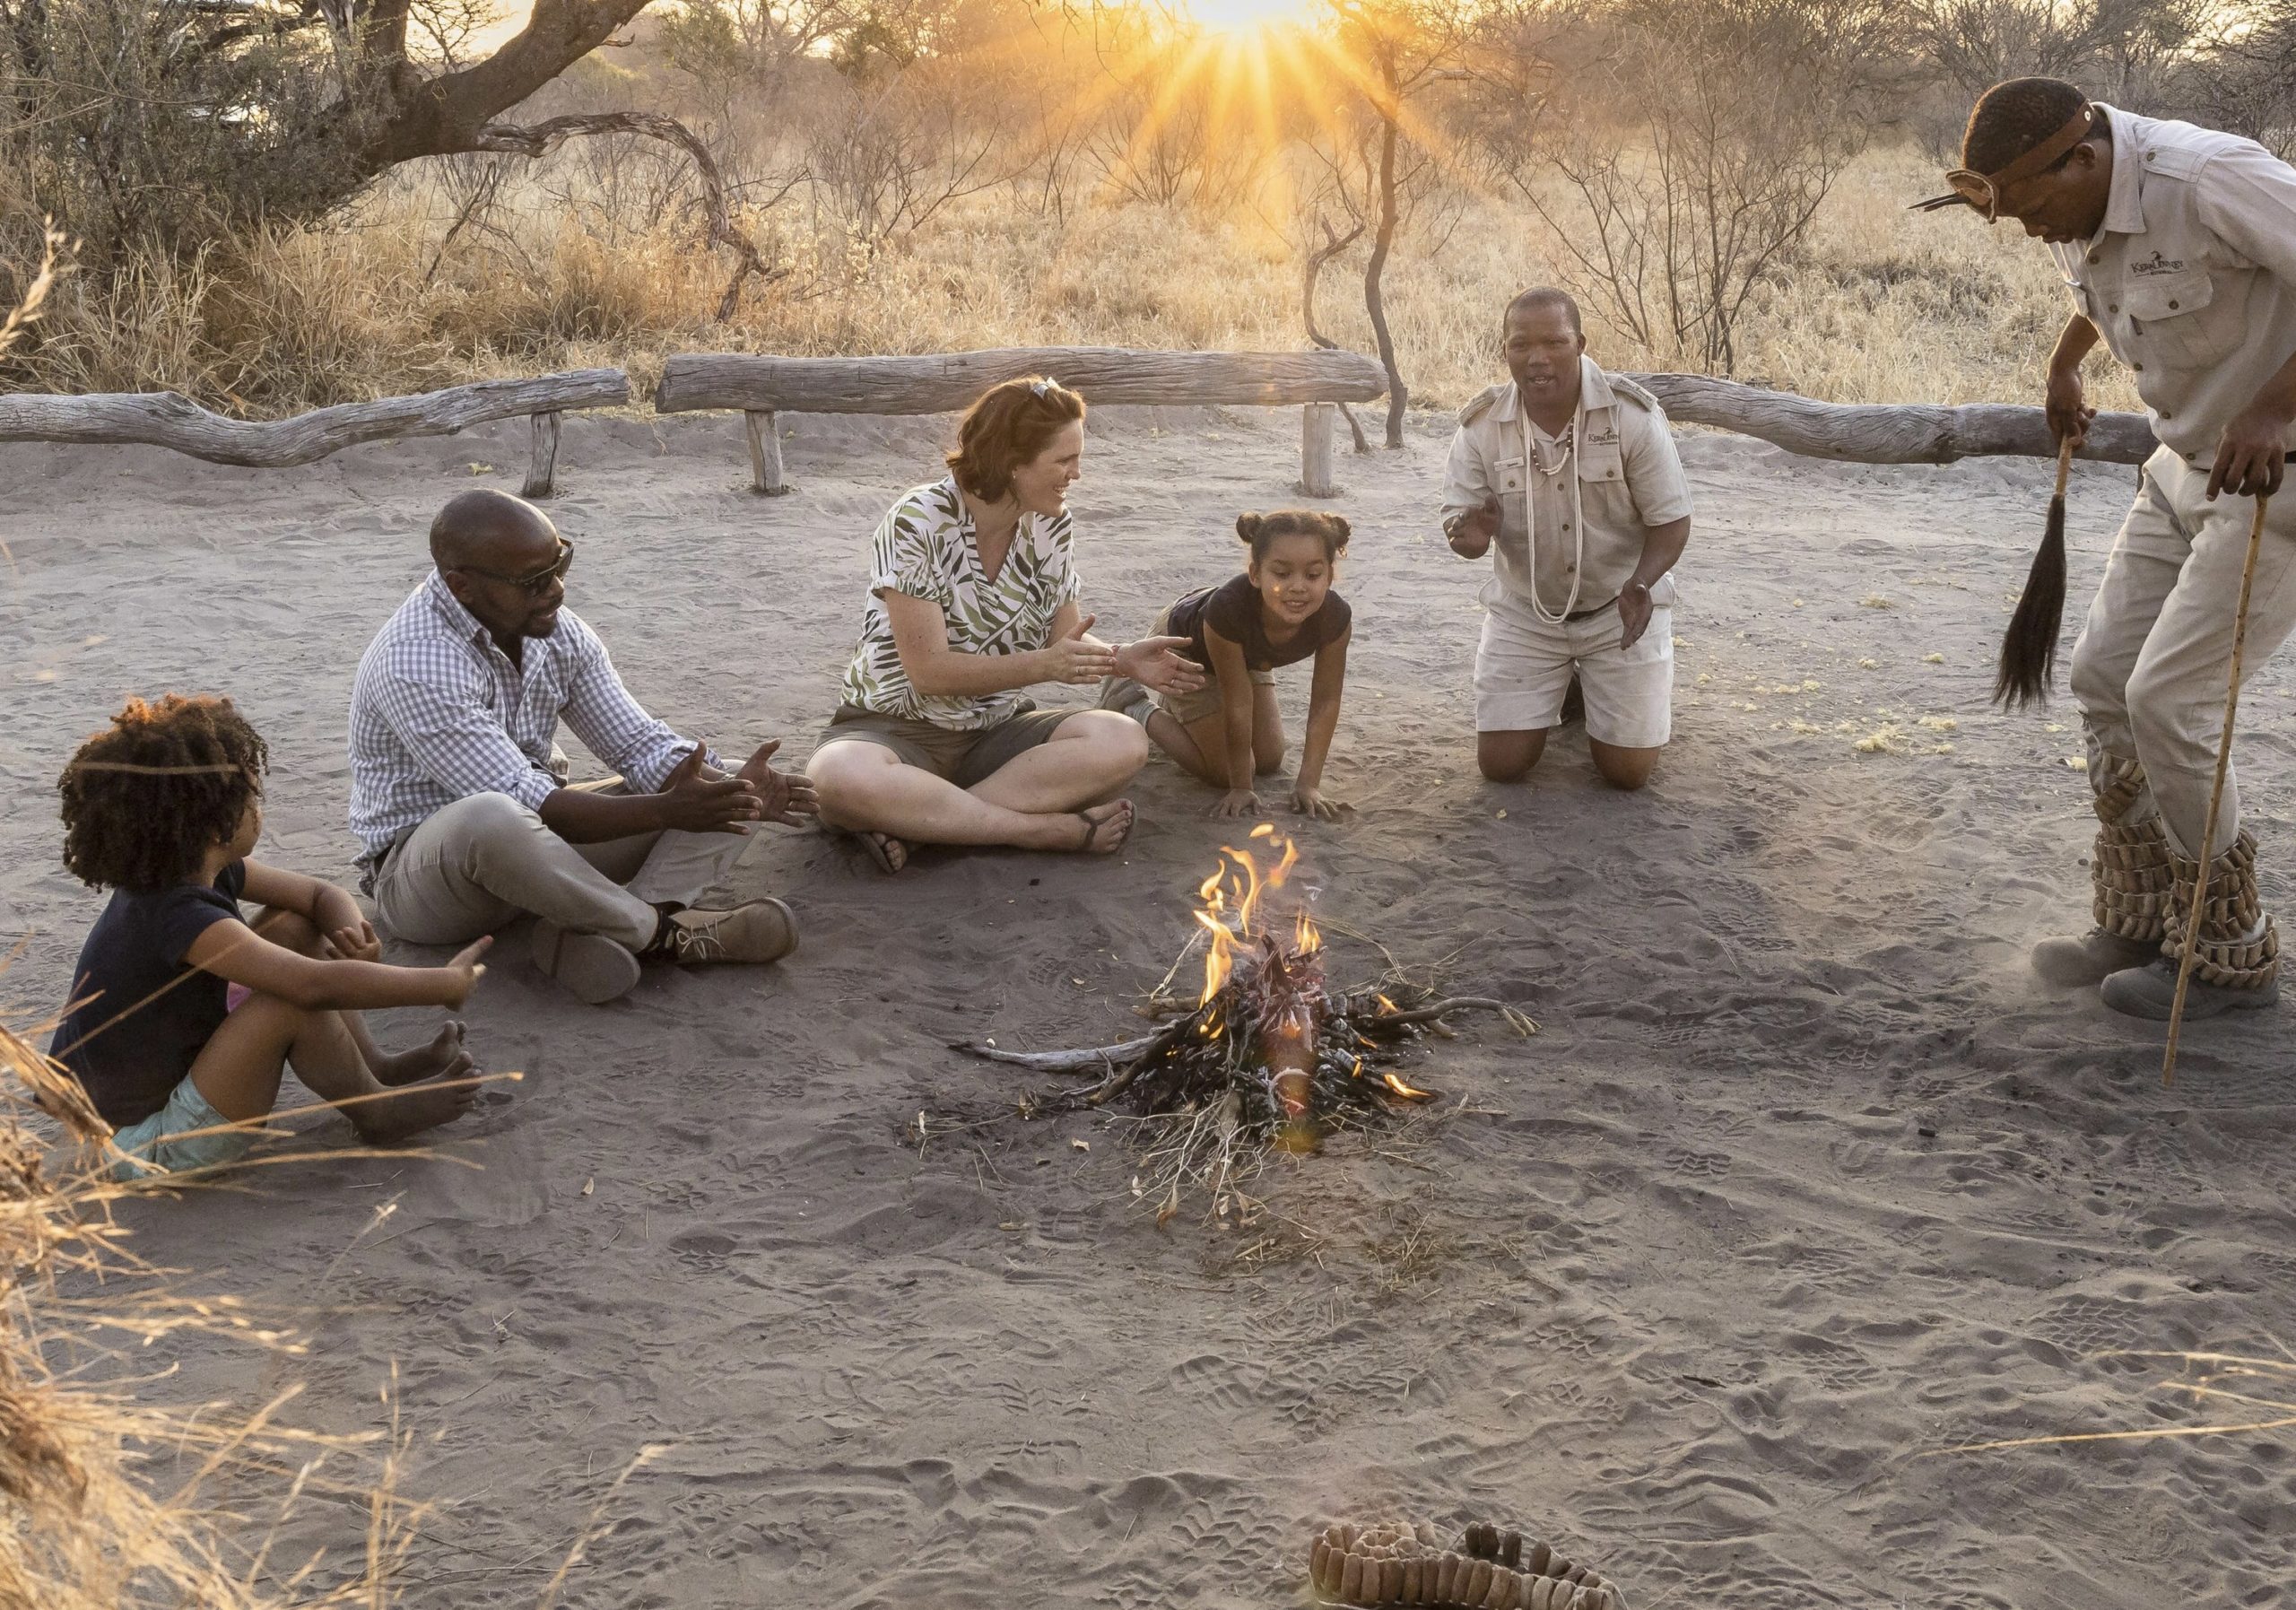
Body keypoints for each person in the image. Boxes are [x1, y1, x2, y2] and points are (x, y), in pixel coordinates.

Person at [1916, 78, 2296, 1018]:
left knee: (2167, 701)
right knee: (2099, 680)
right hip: (2179, 464)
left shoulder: (2207, 179)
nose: (2034, 233)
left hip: (2271, 477)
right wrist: (2063, 357)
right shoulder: (2080, 196)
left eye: (2038, 210)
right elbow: (2115, 281)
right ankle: (2140, 911)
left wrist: (2273, 409)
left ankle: (2227, 942)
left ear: (2083, 161)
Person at [349, 489, 814, 1004]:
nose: (556, 589)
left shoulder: (552, 630)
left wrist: (725, 789)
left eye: (560, 563)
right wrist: (668, 809)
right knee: (492, 817)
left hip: (542, 848)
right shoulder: (417, 662)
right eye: (532, 582)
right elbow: (537, 806)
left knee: (726, 788)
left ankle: (598, 928)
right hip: (431, 880)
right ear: (462, 586)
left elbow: (640, 745)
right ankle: (663, 935)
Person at [49, 695, 488, 1181]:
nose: (259, 809)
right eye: (251, 799)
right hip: (143, 1145)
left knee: (294, 928)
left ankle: (376, 1069)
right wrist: (443, 985)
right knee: (290, 1000)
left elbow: (319, 896)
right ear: (214, 825)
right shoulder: (179, 917)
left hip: (154, 1091)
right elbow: (312, 987)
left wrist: (351, 932)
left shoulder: (193, 871)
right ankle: (378, 1113)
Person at [806, 377, 1205, 873]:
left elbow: (1065, 640)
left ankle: (925, 826)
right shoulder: (918, 520)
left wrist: (1122, 660)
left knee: (1122, 739)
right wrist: (1045, 666)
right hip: (893, 729)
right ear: (1011, 462)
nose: (1076, 474)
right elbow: (929, 672)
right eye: (1064, 460)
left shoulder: (1051, 522)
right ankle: (1038, 831)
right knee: (837, 778)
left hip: (995, 732)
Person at [1440, 288, 1693, 792]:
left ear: (1580, 343)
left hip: (1617, 611)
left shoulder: (1631, 417)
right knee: (1501, 766)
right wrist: (1471, 537)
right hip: (1526, 614)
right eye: (1520, 345)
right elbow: (1463, 538)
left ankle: (1595, 684)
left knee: (1626, 774)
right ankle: (1571, 684)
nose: (1537, 358)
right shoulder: (1481, 427)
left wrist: (1641, 584)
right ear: (1505, 350)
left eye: (1554, 342)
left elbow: (1672, 521)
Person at [1100, 509, 1355, 820]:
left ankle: (1186, 714)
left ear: (1330, 575)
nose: (1298, 587)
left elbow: (1326, 700)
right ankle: (1133, 703)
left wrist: (1308, 784)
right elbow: (1238, 702)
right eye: (1282, 574)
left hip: (1249, 656)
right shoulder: (1229, 612)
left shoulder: (1335, 619)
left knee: (1270, 758)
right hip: (1186, 645)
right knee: (1231, 771)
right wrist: (1240, 787)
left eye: (1313, 575)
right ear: (1256, 574)